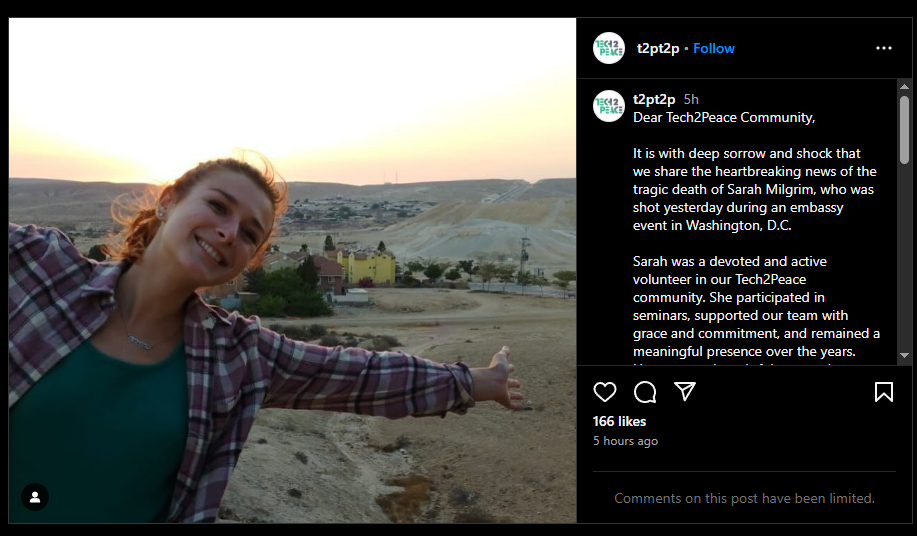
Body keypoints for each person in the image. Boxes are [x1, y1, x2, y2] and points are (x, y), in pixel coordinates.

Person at [8, 153, 523, 523]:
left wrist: (476, 382)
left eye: (250, 232)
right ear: (168, 202)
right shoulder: (40, 267)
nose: (230, 231)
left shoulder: (235, 355)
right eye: (218, 206)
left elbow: (358, 376)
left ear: (249, 260)